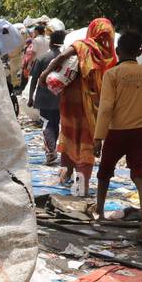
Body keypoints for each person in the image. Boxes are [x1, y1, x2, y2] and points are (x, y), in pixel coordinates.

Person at [91, 30, 142, 243]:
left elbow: (106, 106)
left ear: (117, 51)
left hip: (118, 130)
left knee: (105, 172)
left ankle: (99, 211)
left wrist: (98, 137)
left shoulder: (112, 74)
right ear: (139, 51)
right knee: (141, 177)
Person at [44, 18, 118, 194]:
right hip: (93, 108)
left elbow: (62, 56)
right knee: (86, 141)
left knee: (70, 137)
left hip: (72, 104)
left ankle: (67, 176)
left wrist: (44, 74)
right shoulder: (110, 56)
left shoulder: (83, 46)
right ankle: (81, 185)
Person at [29, 29, 67, 164]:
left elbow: (34, 79)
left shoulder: (42, 58)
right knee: (55, 123)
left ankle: (50, 152)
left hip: (44, 98)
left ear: (51, 42)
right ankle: (52, 149)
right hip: (61, 98)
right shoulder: (68, 58)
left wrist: (30, 97)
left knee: (47, 124)